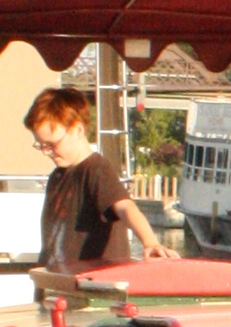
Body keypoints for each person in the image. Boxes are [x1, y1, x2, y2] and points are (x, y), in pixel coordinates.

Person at [24, 88, 166, 271]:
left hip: (95, 290)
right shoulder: (57, 177)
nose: (46, 152)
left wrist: (150, 242)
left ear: (78, 130)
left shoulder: (96, 170)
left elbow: (125, 207)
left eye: (52, 144)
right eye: (41, 145)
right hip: (60, 287)